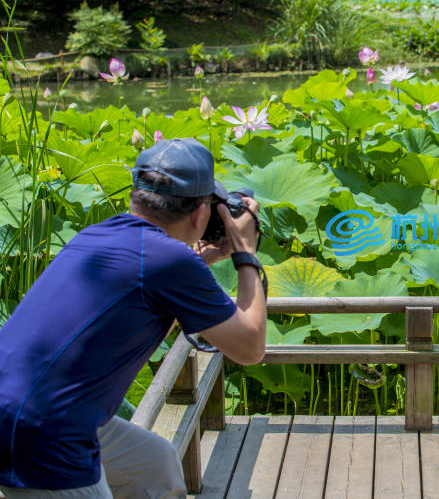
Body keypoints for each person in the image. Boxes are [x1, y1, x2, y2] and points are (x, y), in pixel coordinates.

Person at [0, 138, 267, 498]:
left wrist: (202, 260)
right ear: (200, 214)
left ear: (136, 196)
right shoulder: (171, 261)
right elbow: (250, 347)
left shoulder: (97, 234)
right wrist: (246, 255)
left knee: (154, 465)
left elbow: (144, 304)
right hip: (43, 433)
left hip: (28, 407)